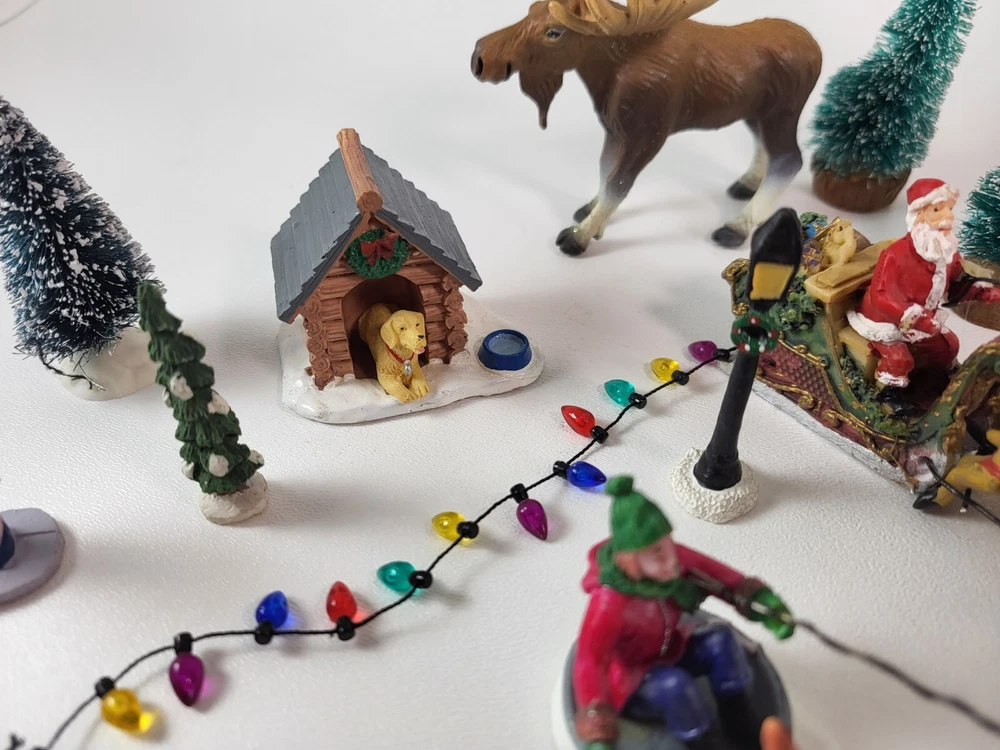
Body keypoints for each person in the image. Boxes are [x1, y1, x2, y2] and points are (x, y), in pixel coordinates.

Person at [572, 476, 793, 749]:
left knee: (720, 638)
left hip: (672, 650)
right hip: (632, 680)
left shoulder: (673, 562)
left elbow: (720, 578)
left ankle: (737, 714)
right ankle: (703, 740)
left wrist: (762, 603)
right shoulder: (609, 603)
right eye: (657, 552)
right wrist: (597, 726)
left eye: (668, 544)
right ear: (629, 561)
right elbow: (589, 661)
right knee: (674, 686)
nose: (671, 559)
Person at [847, 178, 1000, 407]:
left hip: (923, 321)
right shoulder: (894, 255)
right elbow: (881, 296)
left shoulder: (945, 250)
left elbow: (956, 283)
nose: (947, 217)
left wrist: (981, 293)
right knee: (899, 360)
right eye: (937, 210)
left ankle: (933, 386)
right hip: (885, 321)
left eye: (948, 209)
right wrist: (916, 318)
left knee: (948, 346)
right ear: (919, 215)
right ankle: (890, 398)